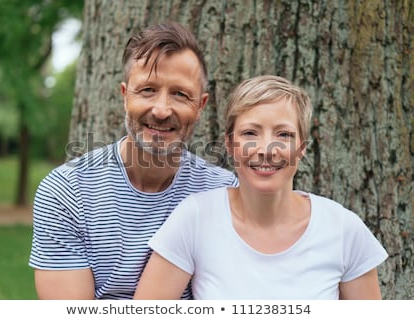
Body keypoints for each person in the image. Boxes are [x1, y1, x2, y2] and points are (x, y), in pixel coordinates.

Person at [29, 21, 238, 300]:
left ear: (200, 106)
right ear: (125, 95)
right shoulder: (66, 191)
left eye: (180, 94)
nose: (162, 110)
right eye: (148, 90)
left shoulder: (224, 193)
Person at [134, 75, 388, 300]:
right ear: (230, 146)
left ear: (302, 148)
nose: (266, 150)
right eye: (250, 134)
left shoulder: (344, 229)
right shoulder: (196, 218)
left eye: (283, 135)